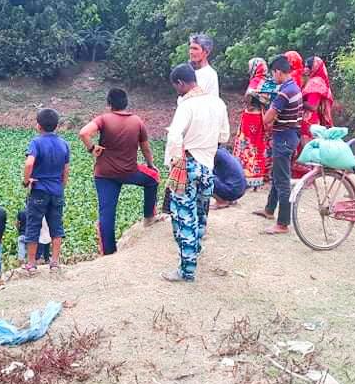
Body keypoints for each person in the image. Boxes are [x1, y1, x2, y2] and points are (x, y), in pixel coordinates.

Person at [162, 64, 230, 281]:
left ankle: (187, 270)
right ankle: (196, 251)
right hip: (208, 167)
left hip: (188, 164)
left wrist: (175, 162)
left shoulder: (187, 105)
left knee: (184, 218)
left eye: (176, 87)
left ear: (181, 83)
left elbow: (174, 136)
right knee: (201, 214)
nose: (177, 92)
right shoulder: (218, 103)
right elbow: (224, 136)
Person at [79, 88, 160, 255]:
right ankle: (149, 217)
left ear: (109, 103)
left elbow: (84, 133)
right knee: (152, 179)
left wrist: (92, 148)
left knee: (107, 213)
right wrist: (151, 165)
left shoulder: (103, 119)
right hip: (129, 171)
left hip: (104, 175)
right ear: (126, 103)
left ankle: (109, 253)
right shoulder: (137, 121)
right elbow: (145, 148)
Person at [253, 55, 303, 234]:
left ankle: (283, 223)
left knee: (282, 181)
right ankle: (269, 209)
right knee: (277, 175)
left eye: (273, 74)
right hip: (291, 136)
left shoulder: (284, 93)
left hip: (283, 139)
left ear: (279, 72)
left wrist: (266, 112)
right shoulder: (294, 87)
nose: (272, 78)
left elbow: (267, 118)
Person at [21, 109, 70, 274]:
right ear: (57, 126)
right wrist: (61, 186)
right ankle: (55, 262)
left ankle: (31, 264)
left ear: (38, 125)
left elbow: (29, 164)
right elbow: (66, 170)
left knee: (33, 225)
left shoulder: (36, 142)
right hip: (56, 190)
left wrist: (26, 181)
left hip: (39, 190)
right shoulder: (64, 144)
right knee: (56, 226)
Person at [232, 58, 276, 189]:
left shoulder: (255, 81)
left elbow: (248, 98)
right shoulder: (270, 82)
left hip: (251, 116)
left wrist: (250, 97)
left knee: (247, 145)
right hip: (262, 116)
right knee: (259, 145)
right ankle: (260, 175)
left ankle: (246, 174)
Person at [296, 56, 336, 176]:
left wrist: (298, 102)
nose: (305, 69)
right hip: (313, 120)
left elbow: (313, 106)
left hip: (309, 119)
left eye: (307, 66)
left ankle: (310, 175)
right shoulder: (317, 80)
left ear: (313, 68)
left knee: (308, 149)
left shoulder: (315, 83)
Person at [188, 33, 219, 98]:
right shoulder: (189, 71)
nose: (191, 52)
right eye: (190, 48)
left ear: (206, 52)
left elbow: (194, 97)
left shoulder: (209, 74)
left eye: (195, 49)